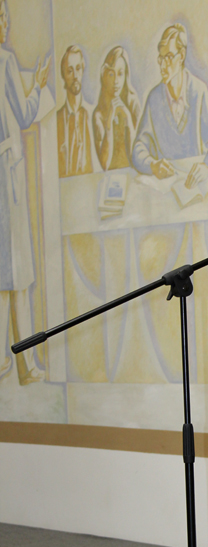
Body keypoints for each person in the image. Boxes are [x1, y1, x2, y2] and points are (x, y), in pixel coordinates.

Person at [0, 0, 49, 384]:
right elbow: (25, 112)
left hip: (6, 172)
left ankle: (6, 362)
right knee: (17, 272)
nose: (5, 23)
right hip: (8, 175)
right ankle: (26, 365)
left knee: (7, 274)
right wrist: (41, 85)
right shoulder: (5, 61)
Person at [132, 23, 208, 189]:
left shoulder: (198, 91)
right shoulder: (154, 98)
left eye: (169, 57)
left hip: (194, 187)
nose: (163, 66)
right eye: (161, 59)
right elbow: (138, 148)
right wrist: (152, 165)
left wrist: (207, 166)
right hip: (165, 189)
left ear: (182, 55)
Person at [93, 46, 140, 171]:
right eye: (111, 74)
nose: (116, 81)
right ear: (104, 77)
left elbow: (136, 159)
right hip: (110, 178)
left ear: (126, 76)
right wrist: (109, 121)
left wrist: (128, 118)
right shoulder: (98, 115)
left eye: (120, 74)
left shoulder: (133, 103)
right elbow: (104, 165)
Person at [57, 45, 93, 177]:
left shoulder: (92, 114)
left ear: (83, 70)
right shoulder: (57, 120)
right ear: (64, 75)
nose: (75, 76)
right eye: (70, 71)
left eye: (78, 69)